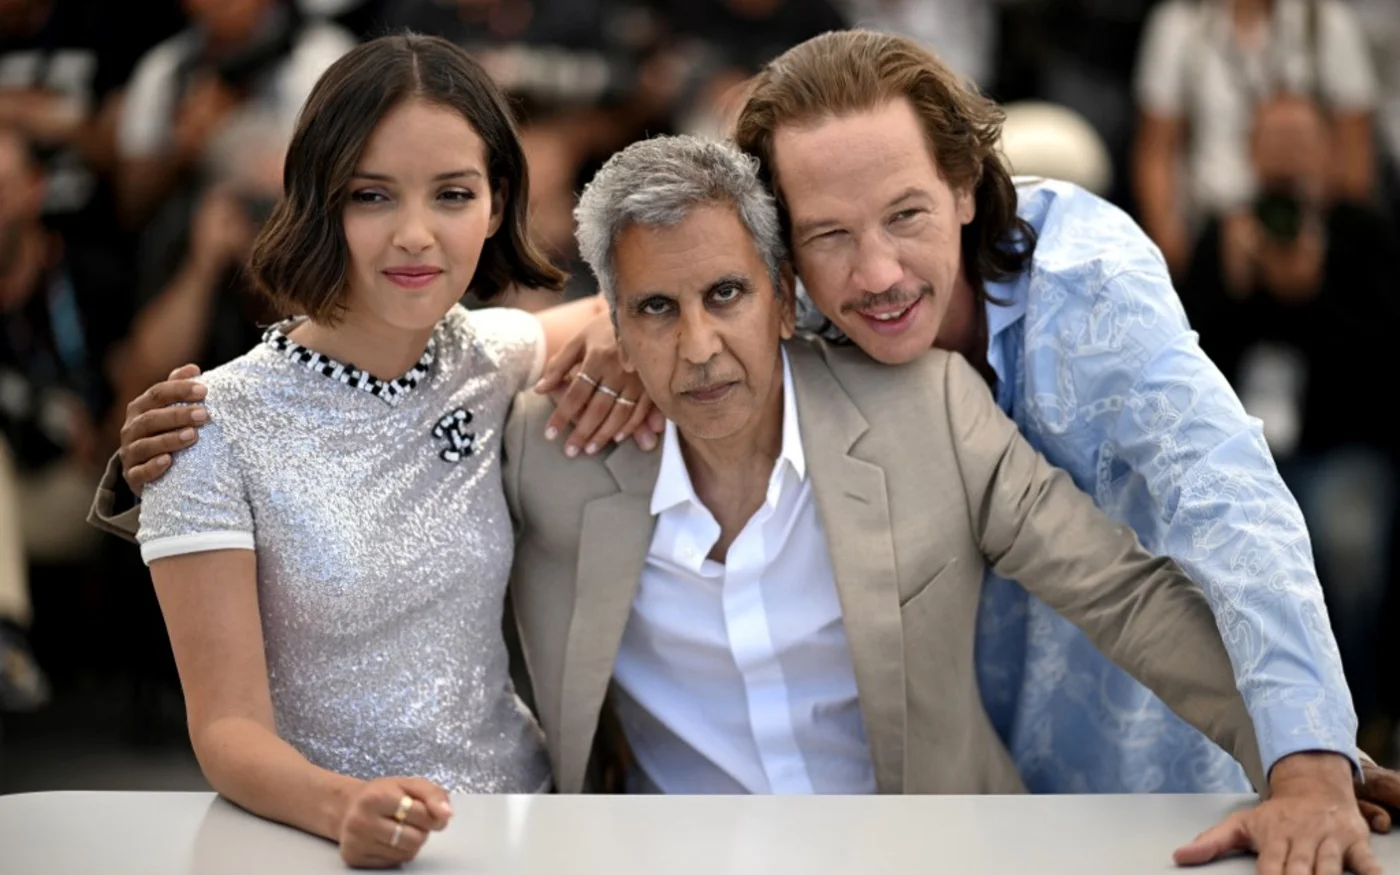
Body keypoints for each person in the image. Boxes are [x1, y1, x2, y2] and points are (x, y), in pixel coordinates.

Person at [690, 27, 1396, 858]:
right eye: (829, 235)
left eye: (905, 214)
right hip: (932, 808)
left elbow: (1226, 491)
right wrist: (600, 329)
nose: (876, 272)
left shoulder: (1089, 281)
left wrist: (1305, 760)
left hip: (1154, 783)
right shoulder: (790, 310)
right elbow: (671, 293)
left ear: (962, 187)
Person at [86, 33, 659, 869]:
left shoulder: (486, 357)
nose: (417, 234)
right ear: (319, 198)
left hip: (523, 827)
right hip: (317, 841)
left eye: (454, 194)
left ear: (497, 205)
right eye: (373, 195)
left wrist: (618, 337)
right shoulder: (206, 427)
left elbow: (650, 311)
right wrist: (346, 806)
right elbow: (225, 729)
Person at [1181, 94, 1400, 748]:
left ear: (1331, 152)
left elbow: (1385, 370)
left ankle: (1363, 716)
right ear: (1250, 151)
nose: (1287, 155)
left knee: (1345, 538)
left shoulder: (1363, 234)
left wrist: (1310, 295)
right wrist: (1241, 286)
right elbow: (1186, 359)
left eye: (1302, 140)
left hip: (1343, 445)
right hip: (1244, 449)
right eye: (1273, 140)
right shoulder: (1222, 233)